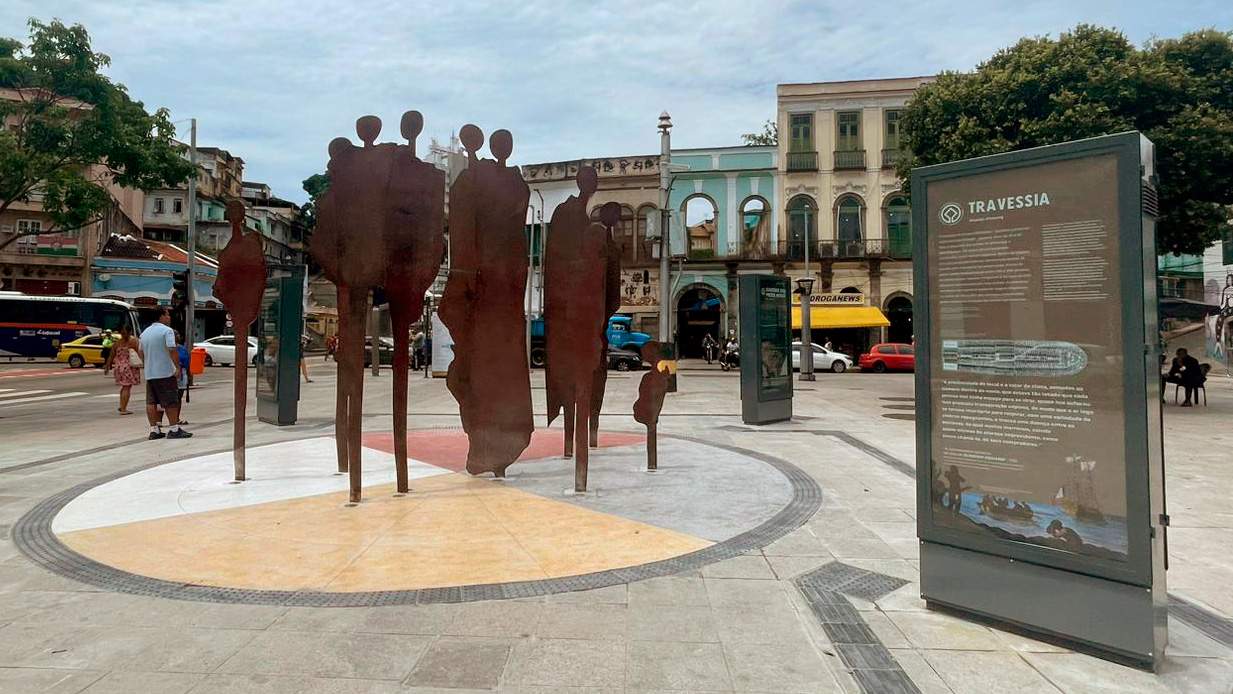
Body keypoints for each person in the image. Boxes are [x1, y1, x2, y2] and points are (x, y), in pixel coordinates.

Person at [138, 308, 191, 440]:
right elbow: (172, 349)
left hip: (151, 374)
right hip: (165, 372)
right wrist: (177, 367)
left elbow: (140, 351)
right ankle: (174, 429)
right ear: (162, 316)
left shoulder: (145, 333)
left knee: (151, 402)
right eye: (167, 315)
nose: (169, 317)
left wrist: (147, 364)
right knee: (171, 402)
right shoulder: (167, 331)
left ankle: (154, 430)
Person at [102, 325, 140, 415]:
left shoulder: (117, 343)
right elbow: (140, 353)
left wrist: (107, 366)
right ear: (130, 332)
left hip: (119, 367)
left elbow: (111, 356)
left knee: (124, 386)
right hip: (129, 367)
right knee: (127, 387)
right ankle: (123, 408)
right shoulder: (133, 342)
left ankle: (122, 405)